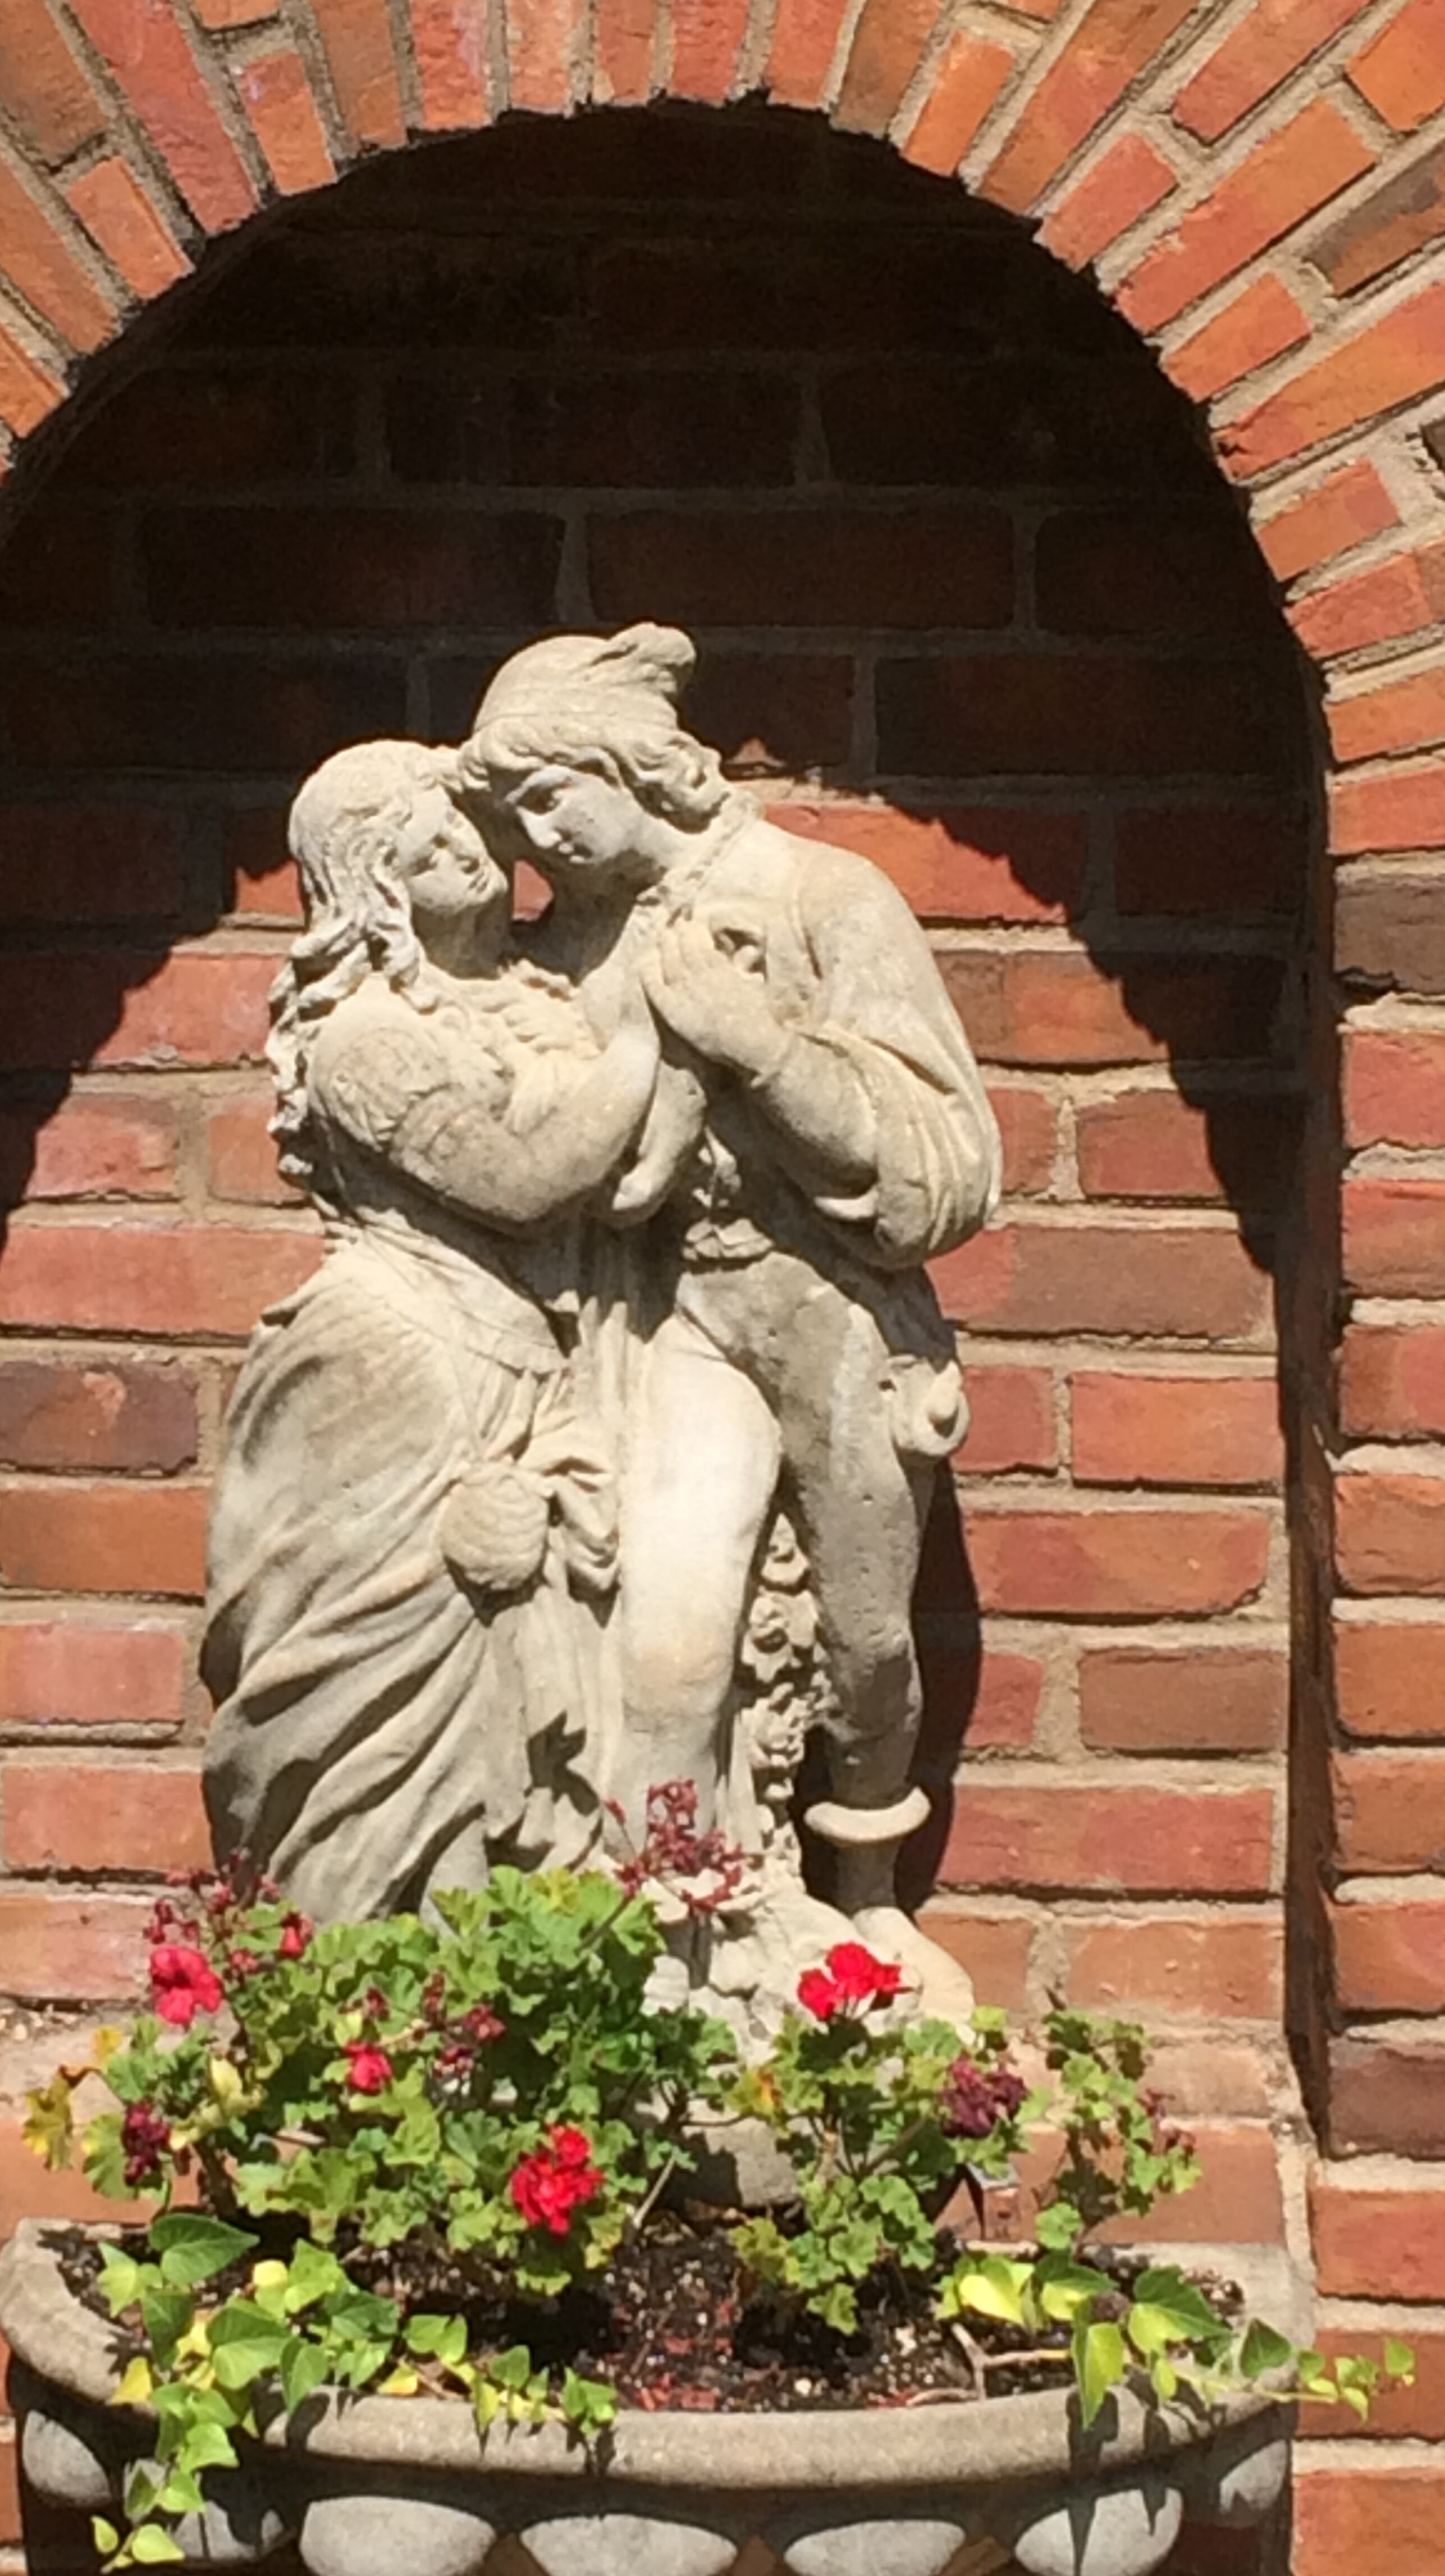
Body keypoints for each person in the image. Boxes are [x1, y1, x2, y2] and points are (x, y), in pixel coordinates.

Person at [462, 627, 1000, 2002]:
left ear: (634, 765)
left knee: (868, 1648)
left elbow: (949, 1168)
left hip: (838, 1319)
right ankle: (671, 1935)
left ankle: (868, 1895)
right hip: (678, 1319)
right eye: (510, 814)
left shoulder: (825, 896)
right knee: (669, 1641)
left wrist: (757, 1046)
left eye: (548, 796)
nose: (533, 839)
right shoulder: (565, 944)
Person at [201, 739, 660, 1922]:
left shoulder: (526, 994)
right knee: (377, 1695)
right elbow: (521, 1182)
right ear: (378, 889)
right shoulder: (365, 1040)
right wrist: (656, 1051)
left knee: (495, 1696)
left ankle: (481, 1979)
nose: (470, 854)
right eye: (427, 849)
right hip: (398, 1377)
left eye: (464, 827)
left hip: (513, 1370)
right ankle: (350, 1975)